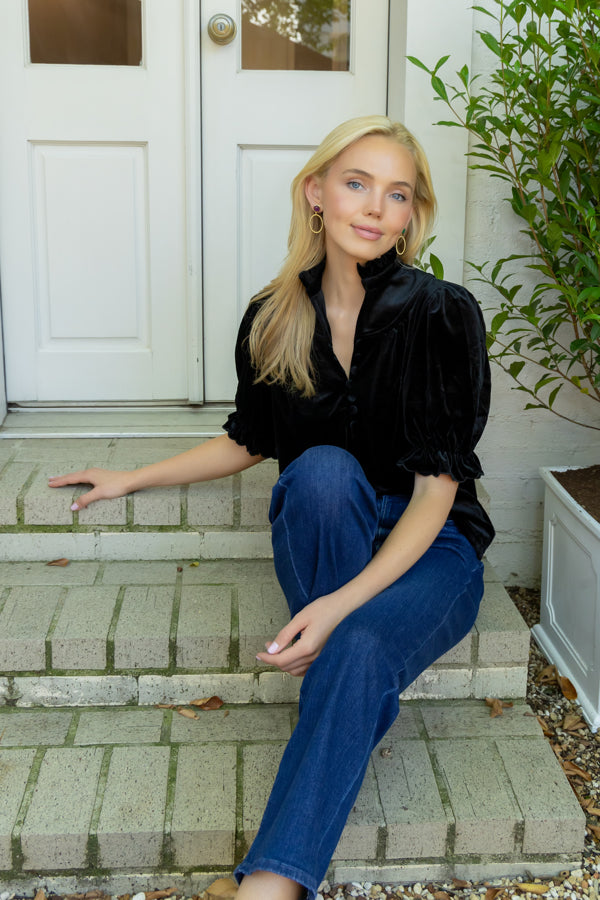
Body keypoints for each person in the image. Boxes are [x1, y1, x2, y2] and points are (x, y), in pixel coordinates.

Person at [49, 115, 494, 900]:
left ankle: (263, 889)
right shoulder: (273, 314)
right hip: (334, 524)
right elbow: (251, 441)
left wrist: (333, 609)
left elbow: (436, 493)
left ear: (411, 214)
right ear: (315, 192)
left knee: (353, 647)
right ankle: (345, 695)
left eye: (396, 194)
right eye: (356, 183)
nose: (374, 208)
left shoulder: (441, 314)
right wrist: (133, 477)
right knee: (320, 472)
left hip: (434, 547)